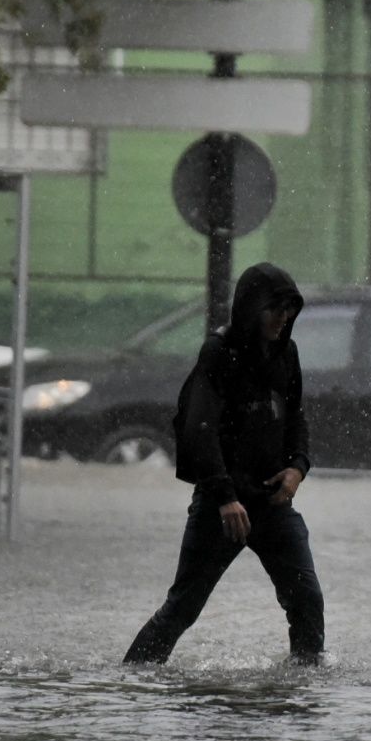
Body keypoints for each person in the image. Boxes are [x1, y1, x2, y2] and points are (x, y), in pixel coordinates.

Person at [124, 263, 325, 666]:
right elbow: (200, 429)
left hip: (272, 502)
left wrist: (298, 468)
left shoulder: (287, 353)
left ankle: (305, 686)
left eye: (289, 308)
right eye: (275, 308)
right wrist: (225, 496)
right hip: (222, 508)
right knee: (182, 608)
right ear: (252, 309)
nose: (283, 317)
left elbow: (297, 416)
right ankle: (133, 679)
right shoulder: (219, 353)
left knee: (306, 598)